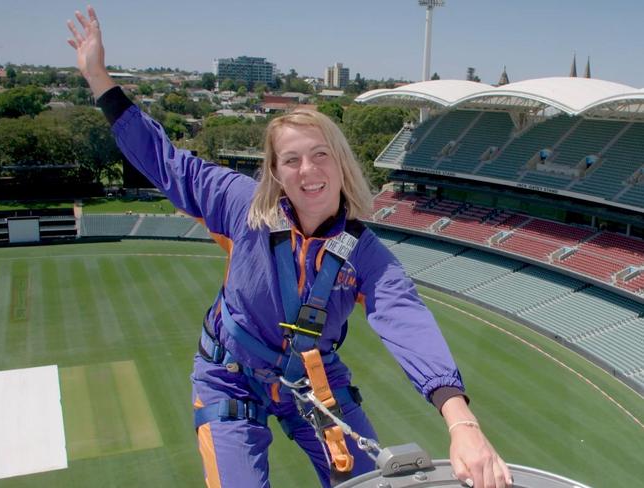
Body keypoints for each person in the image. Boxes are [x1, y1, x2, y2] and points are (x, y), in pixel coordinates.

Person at [67, 7, 512, 488]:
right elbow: (166, 162)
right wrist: (98, 78)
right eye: (292, 159)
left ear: (341, 165)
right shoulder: (242, 207)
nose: (308, 170)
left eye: (321, 155)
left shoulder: (364, 254)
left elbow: (407, 321)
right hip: (230, 374)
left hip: (313, 381)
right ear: (276, 172)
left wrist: (461, 424)